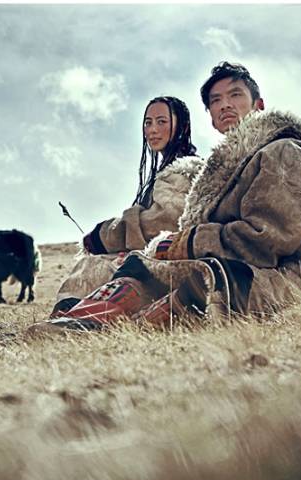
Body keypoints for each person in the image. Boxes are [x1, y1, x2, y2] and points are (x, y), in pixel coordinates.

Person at [45, 62, 301, 331]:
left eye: (235, 95)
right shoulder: (229, 175)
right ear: (211, 117)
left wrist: (189, 242)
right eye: (215, 101)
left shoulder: (282, 151)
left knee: (206, 281)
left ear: (259, 106)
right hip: (264, 271)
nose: (224, 104)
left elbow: (270, 239)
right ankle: (80, 325)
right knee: (145, 267)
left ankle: (120, 327)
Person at [50, 95, 203, 317]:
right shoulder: (167, 170)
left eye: (162, 122)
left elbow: (164, 222)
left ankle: (73, 318)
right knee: (95, 263)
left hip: (169, 261)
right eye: (148, 122)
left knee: (95, 265)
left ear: (183, 125)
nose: (153, 129)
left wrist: (107, 234)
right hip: (156, 258)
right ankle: (71, 317)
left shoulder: (184, 170)